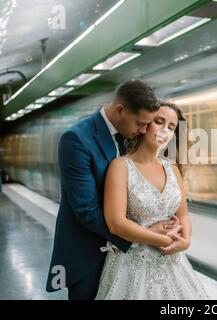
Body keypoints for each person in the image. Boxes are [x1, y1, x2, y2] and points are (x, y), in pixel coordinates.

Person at [46, 79, 181, 300]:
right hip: (90, 254)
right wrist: (146, 233)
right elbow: (87, 210)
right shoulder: (77, 140)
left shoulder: (133, 136)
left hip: (130, 259)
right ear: (120, 110)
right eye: (140, 123)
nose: (145, 130)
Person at [95, 101, 210, 299]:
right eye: (159, 122)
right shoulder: (120, 166)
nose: (165, 130)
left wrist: (186, 241)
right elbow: (116, 224)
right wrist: (162, 239)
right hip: (130, 267)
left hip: (174, 263)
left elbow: (183, 214)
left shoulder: (172, 168)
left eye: (171, 127)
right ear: (145, 123)